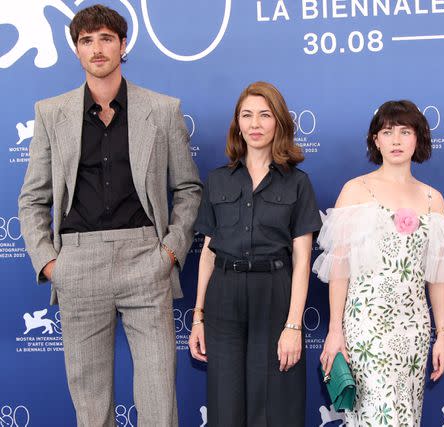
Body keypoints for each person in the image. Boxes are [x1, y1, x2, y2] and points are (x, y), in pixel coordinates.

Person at [17, 5, 202, 426]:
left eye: (105, 38)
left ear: (122, 45)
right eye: (86, 41)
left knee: (159, 399)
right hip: (77, 263)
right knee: (91, 405)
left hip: (145, 259)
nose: (96, 49)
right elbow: (32, 198)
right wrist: (49, 262)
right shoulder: (50, 113)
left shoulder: (163, 109)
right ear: (76, 50)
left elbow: (188, 189)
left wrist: (169, 251)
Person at [314, 100, 444, 426]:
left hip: (413, 330)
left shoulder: (431, 198)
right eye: (387, 131)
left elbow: (438, 276)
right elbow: (339, 269)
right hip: (366, 329)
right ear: (375, 140)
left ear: (418, 139)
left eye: (405, 131)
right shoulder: (355, 190)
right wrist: (334, 331)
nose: (396, 140)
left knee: (406, 416)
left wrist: (442, 334)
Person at [188, 81, 322, 426]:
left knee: (277, 405)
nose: (255, 124)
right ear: (237, 124)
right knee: (225, 405)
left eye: (264, 115)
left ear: (278, 122)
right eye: (246, 115)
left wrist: (293, 324)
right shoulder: (218, 180)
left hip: (275, 294)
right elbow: (207, 253)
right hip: (224, 296)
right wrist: (199, 316)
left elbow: (303, 259)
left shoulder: (297, 183)